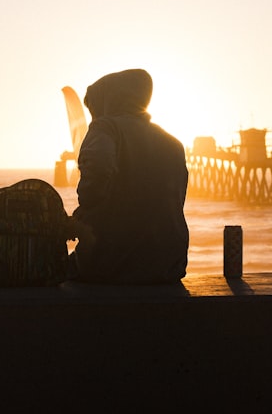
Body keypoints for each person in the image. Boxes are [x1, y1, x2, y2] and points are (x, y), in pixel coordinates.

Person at [68, 69, 189, 285]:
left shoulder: (106, 127)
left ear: (108, 99)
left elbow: (96, 176)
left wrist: (81, 215)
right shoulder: (173, 143)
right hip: (169, 266)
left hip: (113, 264)